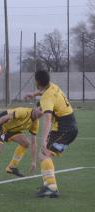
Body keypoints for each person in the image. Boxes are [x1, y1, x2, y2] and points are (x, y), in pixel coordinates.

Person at [25, 70, 78, 198]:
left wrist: (43, 140)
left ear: (37, 82)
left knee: (44, 153)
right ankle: (49, 185)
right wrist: (34, 94)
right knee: (45, 155)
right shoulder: (53, 86)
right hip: (66, 126)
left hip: (64, 129)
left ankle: (51, 188)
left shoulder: (46, 98)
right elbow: (43, 90)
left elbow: (47, 119)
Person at [0, 106, 43, 182]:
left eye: (44, 112)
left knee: (26, 143)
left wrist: (33, 162)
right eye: (40, 109)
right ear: (35, 107)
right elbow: (5, 117)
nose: (41, 113)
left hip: (10, 129)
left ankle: (11, 167)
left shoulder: (35, 123)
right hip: (0, 124)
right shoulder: (24, 112)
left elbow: (34, 143)